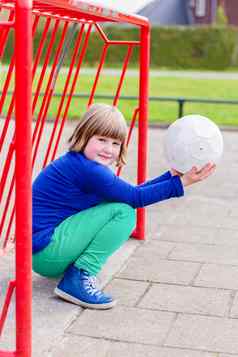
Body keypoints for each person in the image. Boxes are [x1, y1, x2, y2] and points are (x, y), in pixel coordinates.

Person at [32, 103, 216, 310]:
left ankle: (76, 272)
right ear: (83, 136)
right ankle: (79, 277)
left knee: (120, 204)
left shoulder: (80, 163)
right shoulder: (88, 170)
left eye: (115, 143)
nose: (108, 149)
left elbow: (131, 194)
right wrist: (182, 183)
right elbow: (134, 198)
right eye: (101, 140)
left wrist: (172, 176)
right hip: (46, 251)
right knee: (124, 213)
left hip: (42, 251)